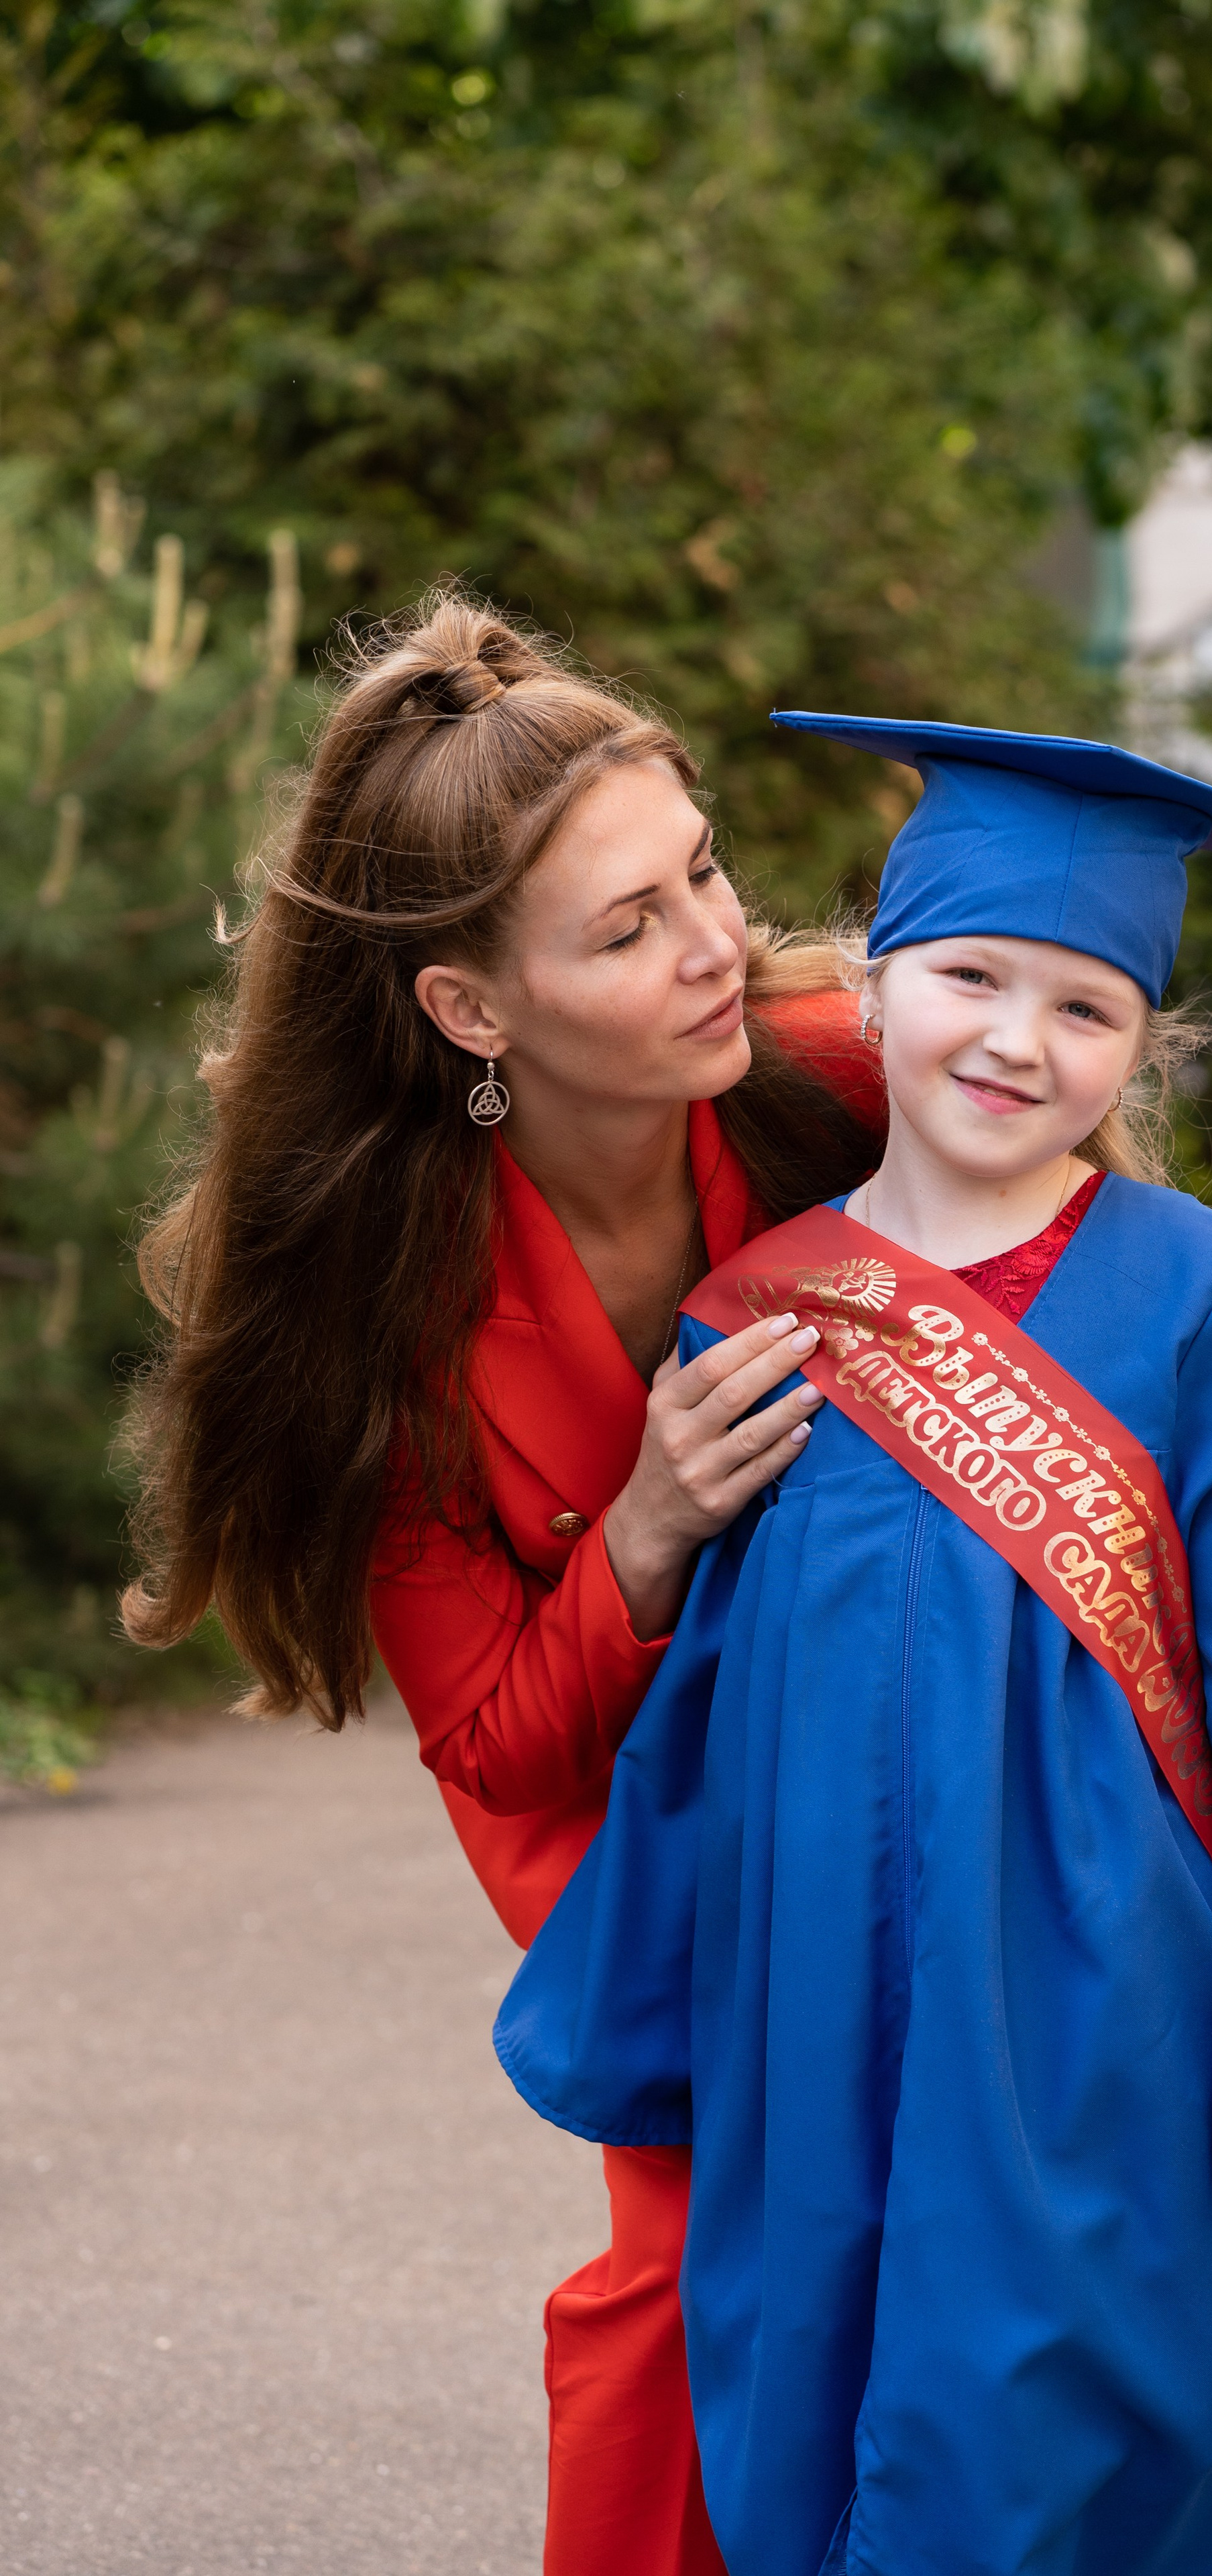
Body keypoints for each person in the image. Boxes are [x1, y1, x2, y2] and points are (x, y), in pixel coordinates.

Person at [496, 715, 1212, 2576]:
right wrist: (672, 1993)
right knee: (859, 2398)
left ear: (1141, 1049)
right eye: (972, 978)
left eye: (1086, 1008)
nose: (1018, 1038)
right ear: (871, 988)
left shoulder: (1208, 1304)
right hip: (841, 2004)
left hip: (1124, 2004)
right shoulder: (759, 1317)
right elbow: (717, 1709)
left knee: (1105, 2418)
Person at [121, 600, 885, 2576]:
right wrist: (645, 1526)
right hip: (641, 1860)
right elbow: (498, 1747)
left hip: (909, 1763)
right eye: (627, 931)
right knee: (702, 2282)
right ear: (474, 1012)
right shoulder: (375, 1317)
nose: (713, 943)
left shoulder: (844, 1083)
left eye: (702, 871)